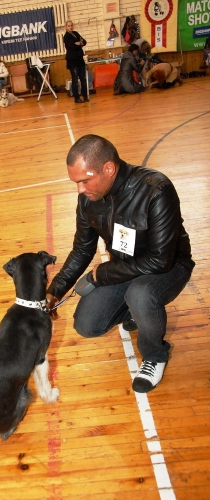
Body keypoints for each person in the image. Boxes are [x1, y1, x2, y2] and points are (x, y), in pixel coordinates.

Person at [47, 135, 195, 393]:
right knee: (87, 324)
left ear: (109, 169)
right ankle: (139, 311)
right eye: (76, 182)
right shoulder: (88, 200)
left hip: (170, 266)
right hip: (124, 268)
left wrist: (104, 273)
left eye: (84, 180)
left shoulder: (155, 189)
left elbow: (160, 259)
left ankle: (155, 355)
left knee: (142, 294)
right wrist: (55, 290)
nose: (80, 190)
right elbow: (82, 249)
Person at [63, 21, 89, 104]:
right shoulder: (66, 36)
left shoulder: (76, 33)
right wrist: (77, 44)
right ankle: (76, 98)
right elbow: (72, 46)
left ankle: (85, 96)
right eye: (68, 26)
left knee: (83, 78)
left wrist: (79, 43)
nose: (70, 27)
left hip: (80, 59)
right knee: (75, 79)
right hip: (72, 60)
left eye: (71, 25)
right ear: (66, 27)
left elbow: (84, 41)